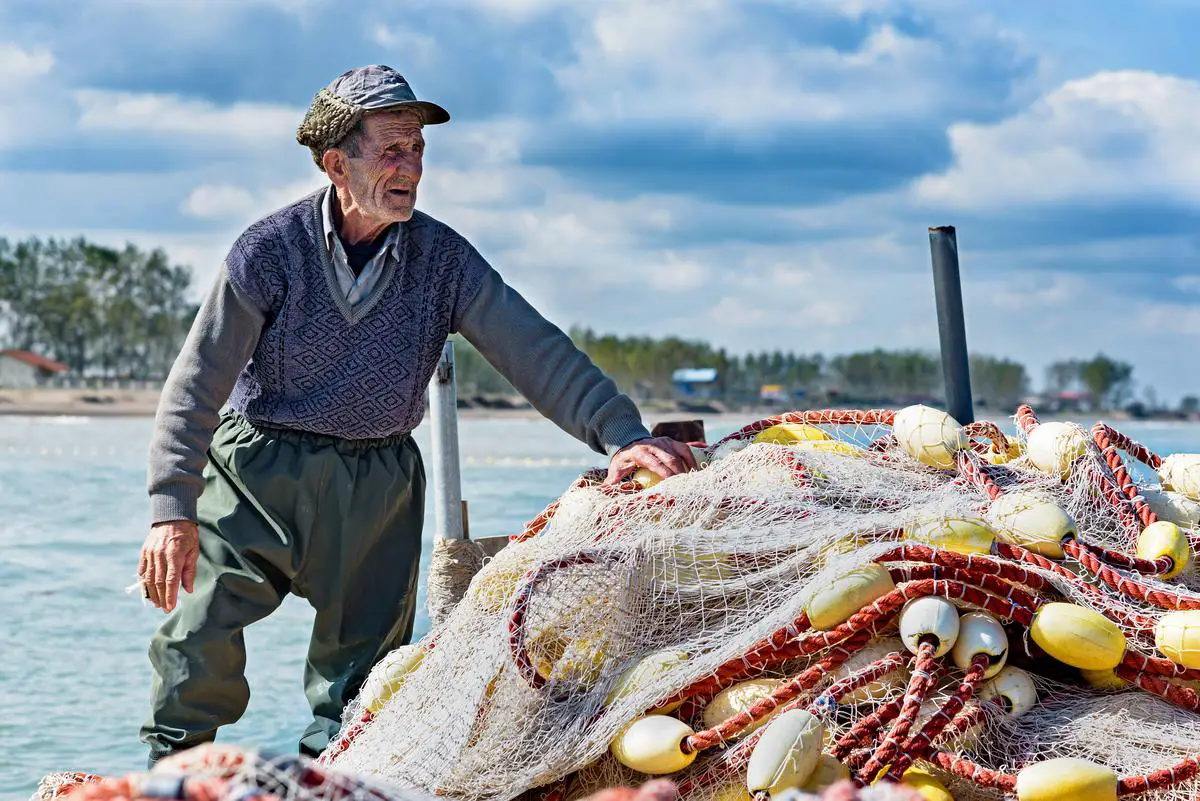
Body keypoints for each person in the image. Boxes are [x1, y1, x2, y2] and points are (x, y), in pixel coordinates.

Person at [136, 64, 696, 765]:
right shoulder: (268, 252)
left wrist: (622, 434)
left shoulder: (444, 261)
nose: (412, 169)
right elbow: (194, 386)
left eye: (419, 150)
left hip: (379, 483)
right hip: (257, 470)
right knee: (198, 635)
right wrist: (171, 509)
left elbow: (533, 349)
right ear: (336, 162)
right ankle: (170, 775)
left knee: (362, 680)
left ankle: (328, 781)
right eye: (392, 151)